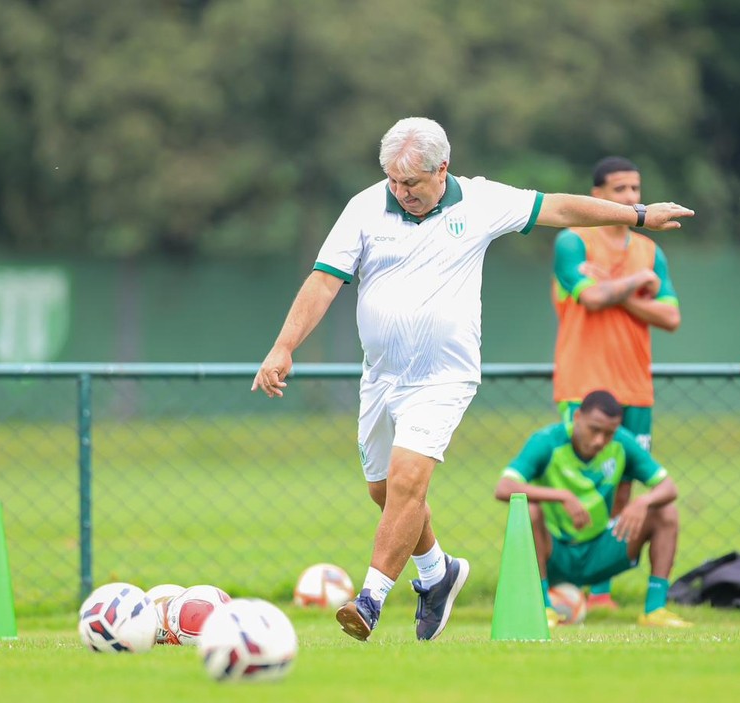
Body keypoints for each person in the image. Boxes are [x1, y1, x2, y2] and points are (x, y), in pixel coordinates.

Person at [252, 117, 694, 642]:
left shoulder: (482, 201)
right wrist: (283, 347)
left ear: (443, 169)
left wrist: (638, 214)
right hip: (382, 376)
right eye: (393, 180)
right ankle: (439, 573)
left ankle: (370, 600)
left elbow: (560, 207)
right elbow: (324, 281)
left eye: (411, 183)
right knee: (383, 490)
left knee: (409, 481)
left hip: (444, 376)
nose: (401, 192)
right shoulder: (364, 207)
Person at [552, 156, 681, 610]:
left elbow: (671, 316)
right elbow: (589, 299)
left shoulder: (651, 252)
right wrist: (634, 286)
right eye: (620, 190)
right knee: (585, 485)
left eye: (635, 189)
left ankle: (601, 592)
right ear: (598, 196)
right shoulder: (572, 242)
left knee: (624, 485)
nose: (630, 198)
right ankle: (566, 584)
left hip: (634, 387)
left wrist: (617, 287)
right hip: (582, 385)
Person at [494, 389, 691, 627]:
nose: (600, 440)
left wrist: (642, 502)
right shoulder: (547, 441)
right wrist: (562, 496)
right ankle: (544, 608)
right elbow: (504, 487)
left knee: (666, 512)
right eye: (594, 429)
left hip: (600, 551)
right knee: (530, 510)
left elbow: (669, 487)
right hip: (555, 553)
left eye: (608, 433)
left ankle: (655, 610)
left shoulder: (622, 443)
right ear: (577, 417)